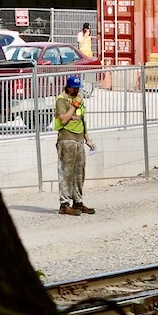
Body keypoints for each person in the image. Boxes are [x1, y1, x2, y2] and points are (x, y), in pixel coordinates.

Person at [53, 74, 96, 216]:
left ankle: (78, 202)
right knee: (66, 172)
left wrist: (87, 139)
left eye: (79, 88)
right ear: (68, 87)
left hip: (79, 140)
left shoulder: (78, 98)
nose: (77, 90)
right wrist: (74, 105)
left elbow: (82, 119)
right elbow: (64, 119)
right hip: (67, 139)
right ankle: (64, 204)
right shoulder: (62, 100)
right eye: (75, 88)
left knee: (79, 172)